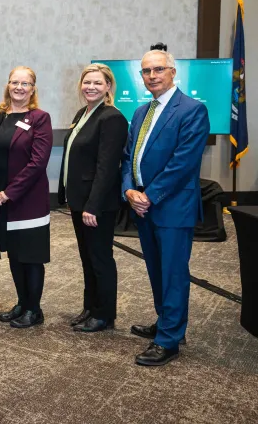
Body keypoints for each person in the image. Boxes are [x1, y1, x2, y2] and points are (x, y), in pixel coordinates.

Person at [121, 44, 210, 366]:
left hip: (172, 206)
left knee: (173, 273)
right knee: (156, 269)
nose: (152, 75)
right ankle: (167, 322)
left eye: (158, 69)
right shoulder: (141, 112)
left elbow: (183, 162)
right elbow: (128, 157)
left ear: (173, 72)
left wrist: (150, 195)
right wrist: (129, 190)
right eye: (146, 70)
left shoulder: (192, 110)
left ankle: (169, 340)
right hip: (142, 203)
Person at [0, 66, 52, 329]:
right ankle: (22, 302)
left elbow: (37, 163)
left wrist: (9, 193)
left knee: (30, 256)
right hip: (1, 199)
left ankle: (34, 309)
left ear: (33, 89)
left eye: (25, 83)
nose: (19, 87)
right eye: (15, 82)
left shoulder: (40, 118)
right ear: (8, 86)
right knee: (14, 254)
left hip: (29, 200)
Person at [58, 64, 127, 332]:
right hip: (80, 201)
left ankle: (104, 314)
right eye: (87, 82)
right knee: (87, 257)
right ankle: (90, 307)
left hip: (96, 204)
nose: (91, 87)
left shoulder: (112, 117)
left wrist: (93, 206)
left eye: (98, 83)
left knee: (100, 258)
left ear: (108, 87)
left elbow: (107, 167)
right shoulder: (83, 113)